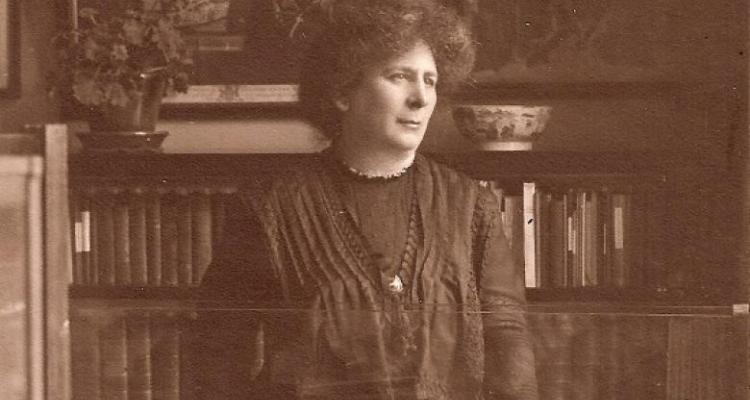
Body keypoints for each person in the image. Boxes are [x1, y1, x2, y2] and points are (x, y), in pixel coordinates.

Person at [195, 0, 538, 398]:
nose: (421, 98)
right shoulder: (269, 208)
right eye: (400, 76)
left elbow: (507, 335)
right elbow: (219, 352)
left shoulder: (470, 206)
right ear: (342, 92)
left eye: (430, 80)